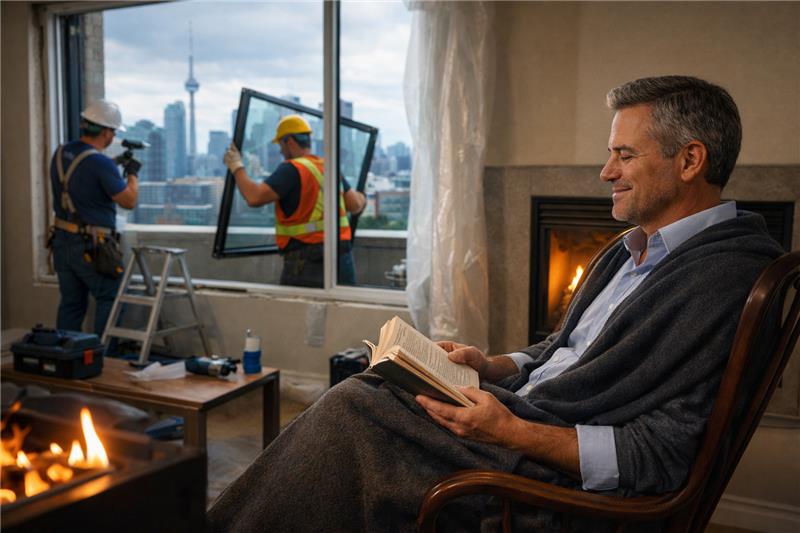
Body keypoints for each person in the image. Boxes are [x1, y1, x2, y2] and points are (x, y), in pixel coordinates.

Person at [207, 76, 783, 531]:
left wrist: (510, 431)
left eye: (625, 155)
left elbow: (662, 455)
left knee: (352, 410)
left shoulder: (723, 281)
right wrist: (496, 366)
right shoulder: (632, 249)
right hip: (519, 416)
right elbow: (568, 350)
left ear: (689, 161)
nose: (606, 172)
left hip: (545, 479)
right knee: (373, 387)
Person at [223, 115, 366, 287]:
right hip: (341, 257)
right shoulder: (328, 167)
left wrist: (236, 166)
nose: (281, 151)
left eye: (281, 145)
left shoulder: (292, 169)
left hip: (307, 260)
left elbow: (254, 197)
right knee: (344, 312)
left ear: (289, 141)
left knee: (298, 313)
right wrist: (362, 197)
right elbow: (355, 205)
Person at [49, 99, 139, 335]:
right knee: (110, 297)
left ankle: (67, 355)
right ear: (107, 132)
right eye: (114, 131)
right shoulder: (99, 163)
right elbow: (129, 201)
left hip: (61, 241)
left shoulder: (61, 153)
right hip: (91, 246)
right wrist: (132, 174)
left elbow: (83, 177)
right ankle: (103, 357)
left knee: (71, 304)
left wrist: (113, 165)